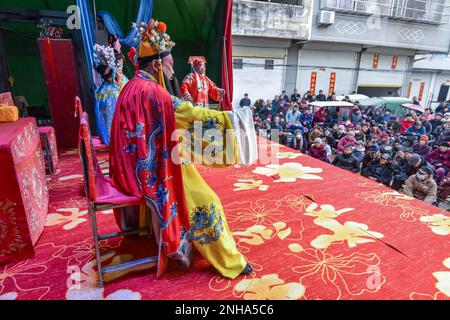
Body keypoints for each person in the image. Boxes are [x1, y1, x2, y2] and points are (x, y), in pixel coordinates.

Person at [110, 19, 256, 279]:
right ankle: (230, 261)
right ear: (156, 64)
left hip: (133, 163)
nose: (171, 67)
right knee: (207, 201)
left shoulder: (131, 86)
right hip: (153, 169)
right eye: (168, 62)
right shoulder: (154, 92)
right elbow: (189, 114)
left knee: (192, 175)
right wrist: (236, 120)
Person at [92, 44, 123, 145]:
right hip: (109, 93)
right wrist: (110, 65)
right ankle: (112, 138)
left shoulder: (110, 66)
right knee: (109, 117)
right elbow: (108, 76)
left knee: (111, 116)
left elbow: (117, 80)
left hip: (109, 91)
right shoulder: (102, 67)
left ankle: (115, 137)